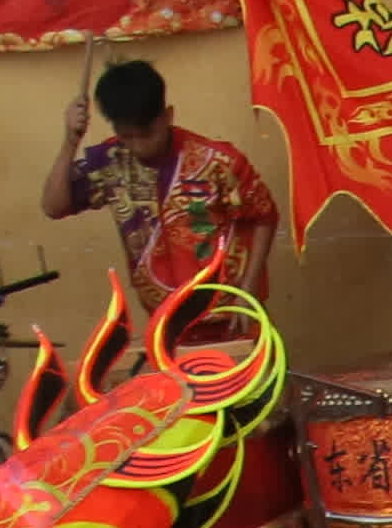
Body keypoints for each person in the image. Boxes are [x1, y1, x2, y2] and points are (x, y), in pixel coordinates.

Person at [42, 59, 277, 330]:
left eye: (146, 134)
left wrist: (248, 290)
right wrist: (71, 140)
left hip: (230, 316)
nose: (138, 146)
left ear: (168, 116)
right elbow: (53, 206)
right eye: (127, 136)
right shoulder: (111, 162)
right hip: (165, 324)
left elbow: (264, 216)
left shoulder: (218, 161)